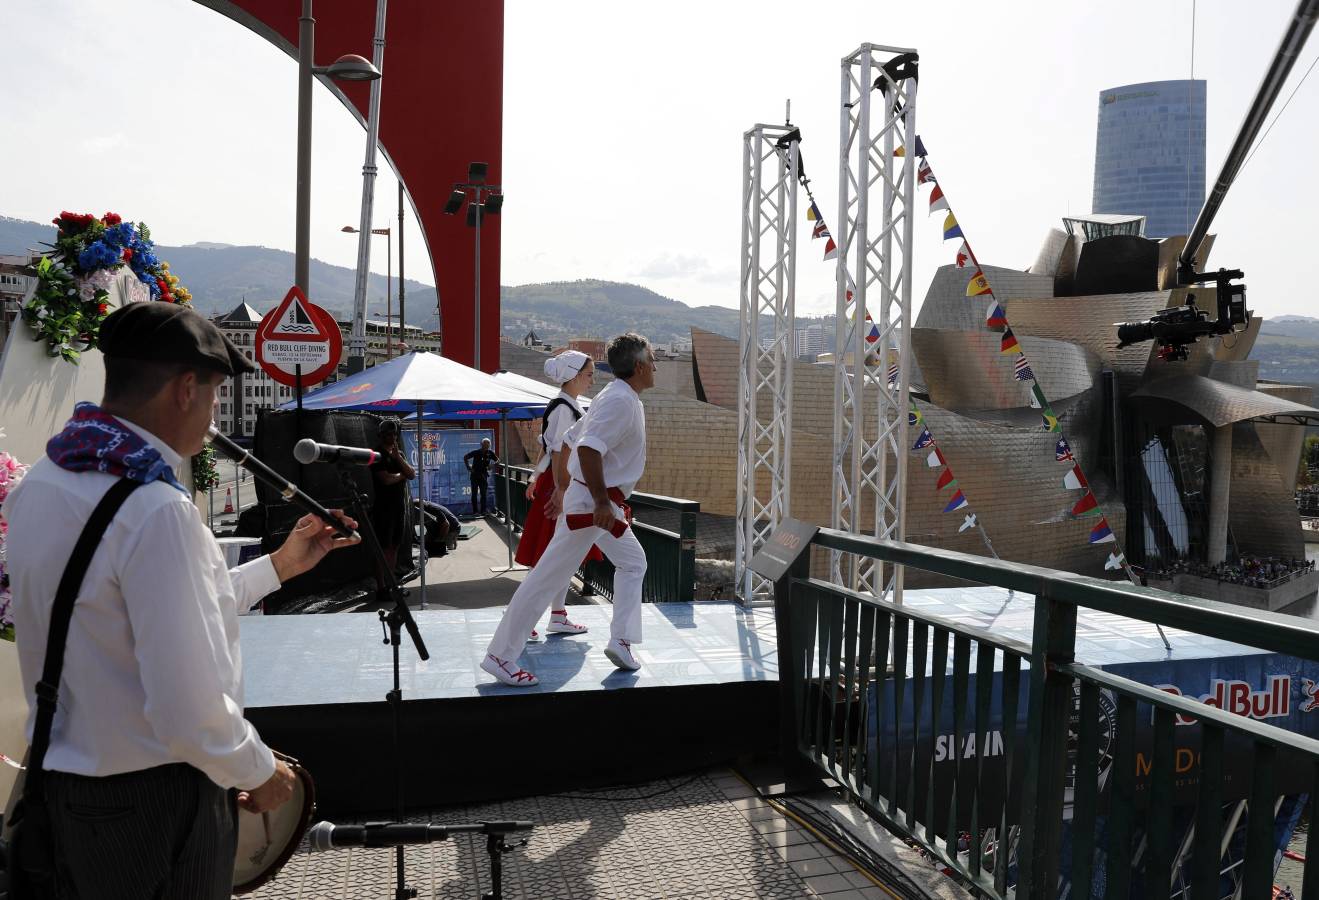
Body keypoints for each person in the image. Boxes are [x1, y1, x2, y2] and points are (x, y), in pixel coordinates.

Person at [1, 302, 359, 899]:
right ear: (186, 389)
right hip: (155, 801)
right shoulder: (155, 508)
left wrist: (281, 565)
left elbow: (151, 614)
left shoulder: (43, 482)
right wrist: (258, 770)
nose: (214, 413)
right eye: (216, 394)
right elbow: (186, 709)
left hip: (65, 789)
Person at [482, 333, 656, 686]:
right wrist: (597, 500)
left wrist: (568, 489)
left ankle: (621, 641)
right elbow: (587, 449)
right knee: (548, 576)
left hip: (593, 500)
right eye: (652, 359)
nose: (656, 366)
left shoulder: (617, 397)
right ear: (639, 366)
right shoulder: (620, 401)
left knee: (633, 562)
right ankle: (499, 655)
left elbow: (570, 439)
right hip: (595, 503)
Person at [514, 350, 594, 638]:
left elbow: (548, 449)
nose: (591, 380)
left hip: (560, 483)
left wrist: (536, 477)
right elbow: (559, 450)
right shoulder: (565, 408)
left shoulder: (564, 405)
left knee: (557, 554)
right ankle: (526, 617)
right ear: (574, 375)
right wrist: (560, 489)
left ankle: (552, 615)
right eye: (588, 375)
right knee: (552, 555)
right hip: (563, 485)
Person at [369, 418, 416, 582]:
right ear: (381, 435)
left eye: (394, 434)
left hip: (398, 507)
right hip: (384, 508)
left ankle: (391, 583)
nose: (392, 437)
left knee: (395, 546)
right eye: (388, 434)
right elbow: (386, 479)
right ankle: (381, 585)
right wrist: (402, 475)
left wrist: (398, 458)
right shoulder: (376, 455)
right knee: (382, 548)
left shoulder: (398, 454)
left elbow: (412, 474)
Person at [464, 437, 498, 516]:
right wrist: (468, 467)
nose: (486, 446)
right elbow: (465, 457)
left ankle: (483, 511)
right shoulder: (477, 452)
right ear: (481, 444)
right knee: (474, 494)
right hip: (475, 475)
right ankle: (475, 511)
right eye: (485, 444)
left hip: (483, 476)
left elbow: (498, 460)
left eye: (488, 445)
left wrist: (492, 465)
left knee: (483, 494)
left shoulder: (490, 453)